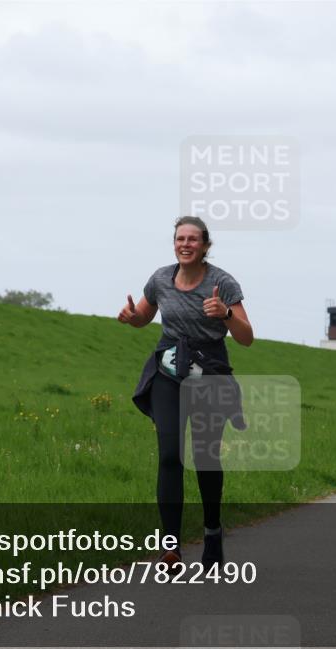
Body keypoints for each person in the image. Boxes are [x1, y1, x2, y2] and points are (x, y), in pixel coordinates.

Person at [121, 216, 253, 571]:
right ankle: (171, 547)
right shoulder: (161, 279)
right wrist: (131, 316)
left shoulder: (222, 282)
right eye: (181, 238)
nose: (186, 244)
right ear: (174, 243)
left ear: (206, 246)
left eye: (194, 239)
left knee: (205, 457)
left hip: (209, 373)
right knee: (169, 456)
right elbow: (143, 318)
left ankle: (212, 532)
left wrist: (225, 314)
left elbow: (246, 337)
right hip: (169, 371)